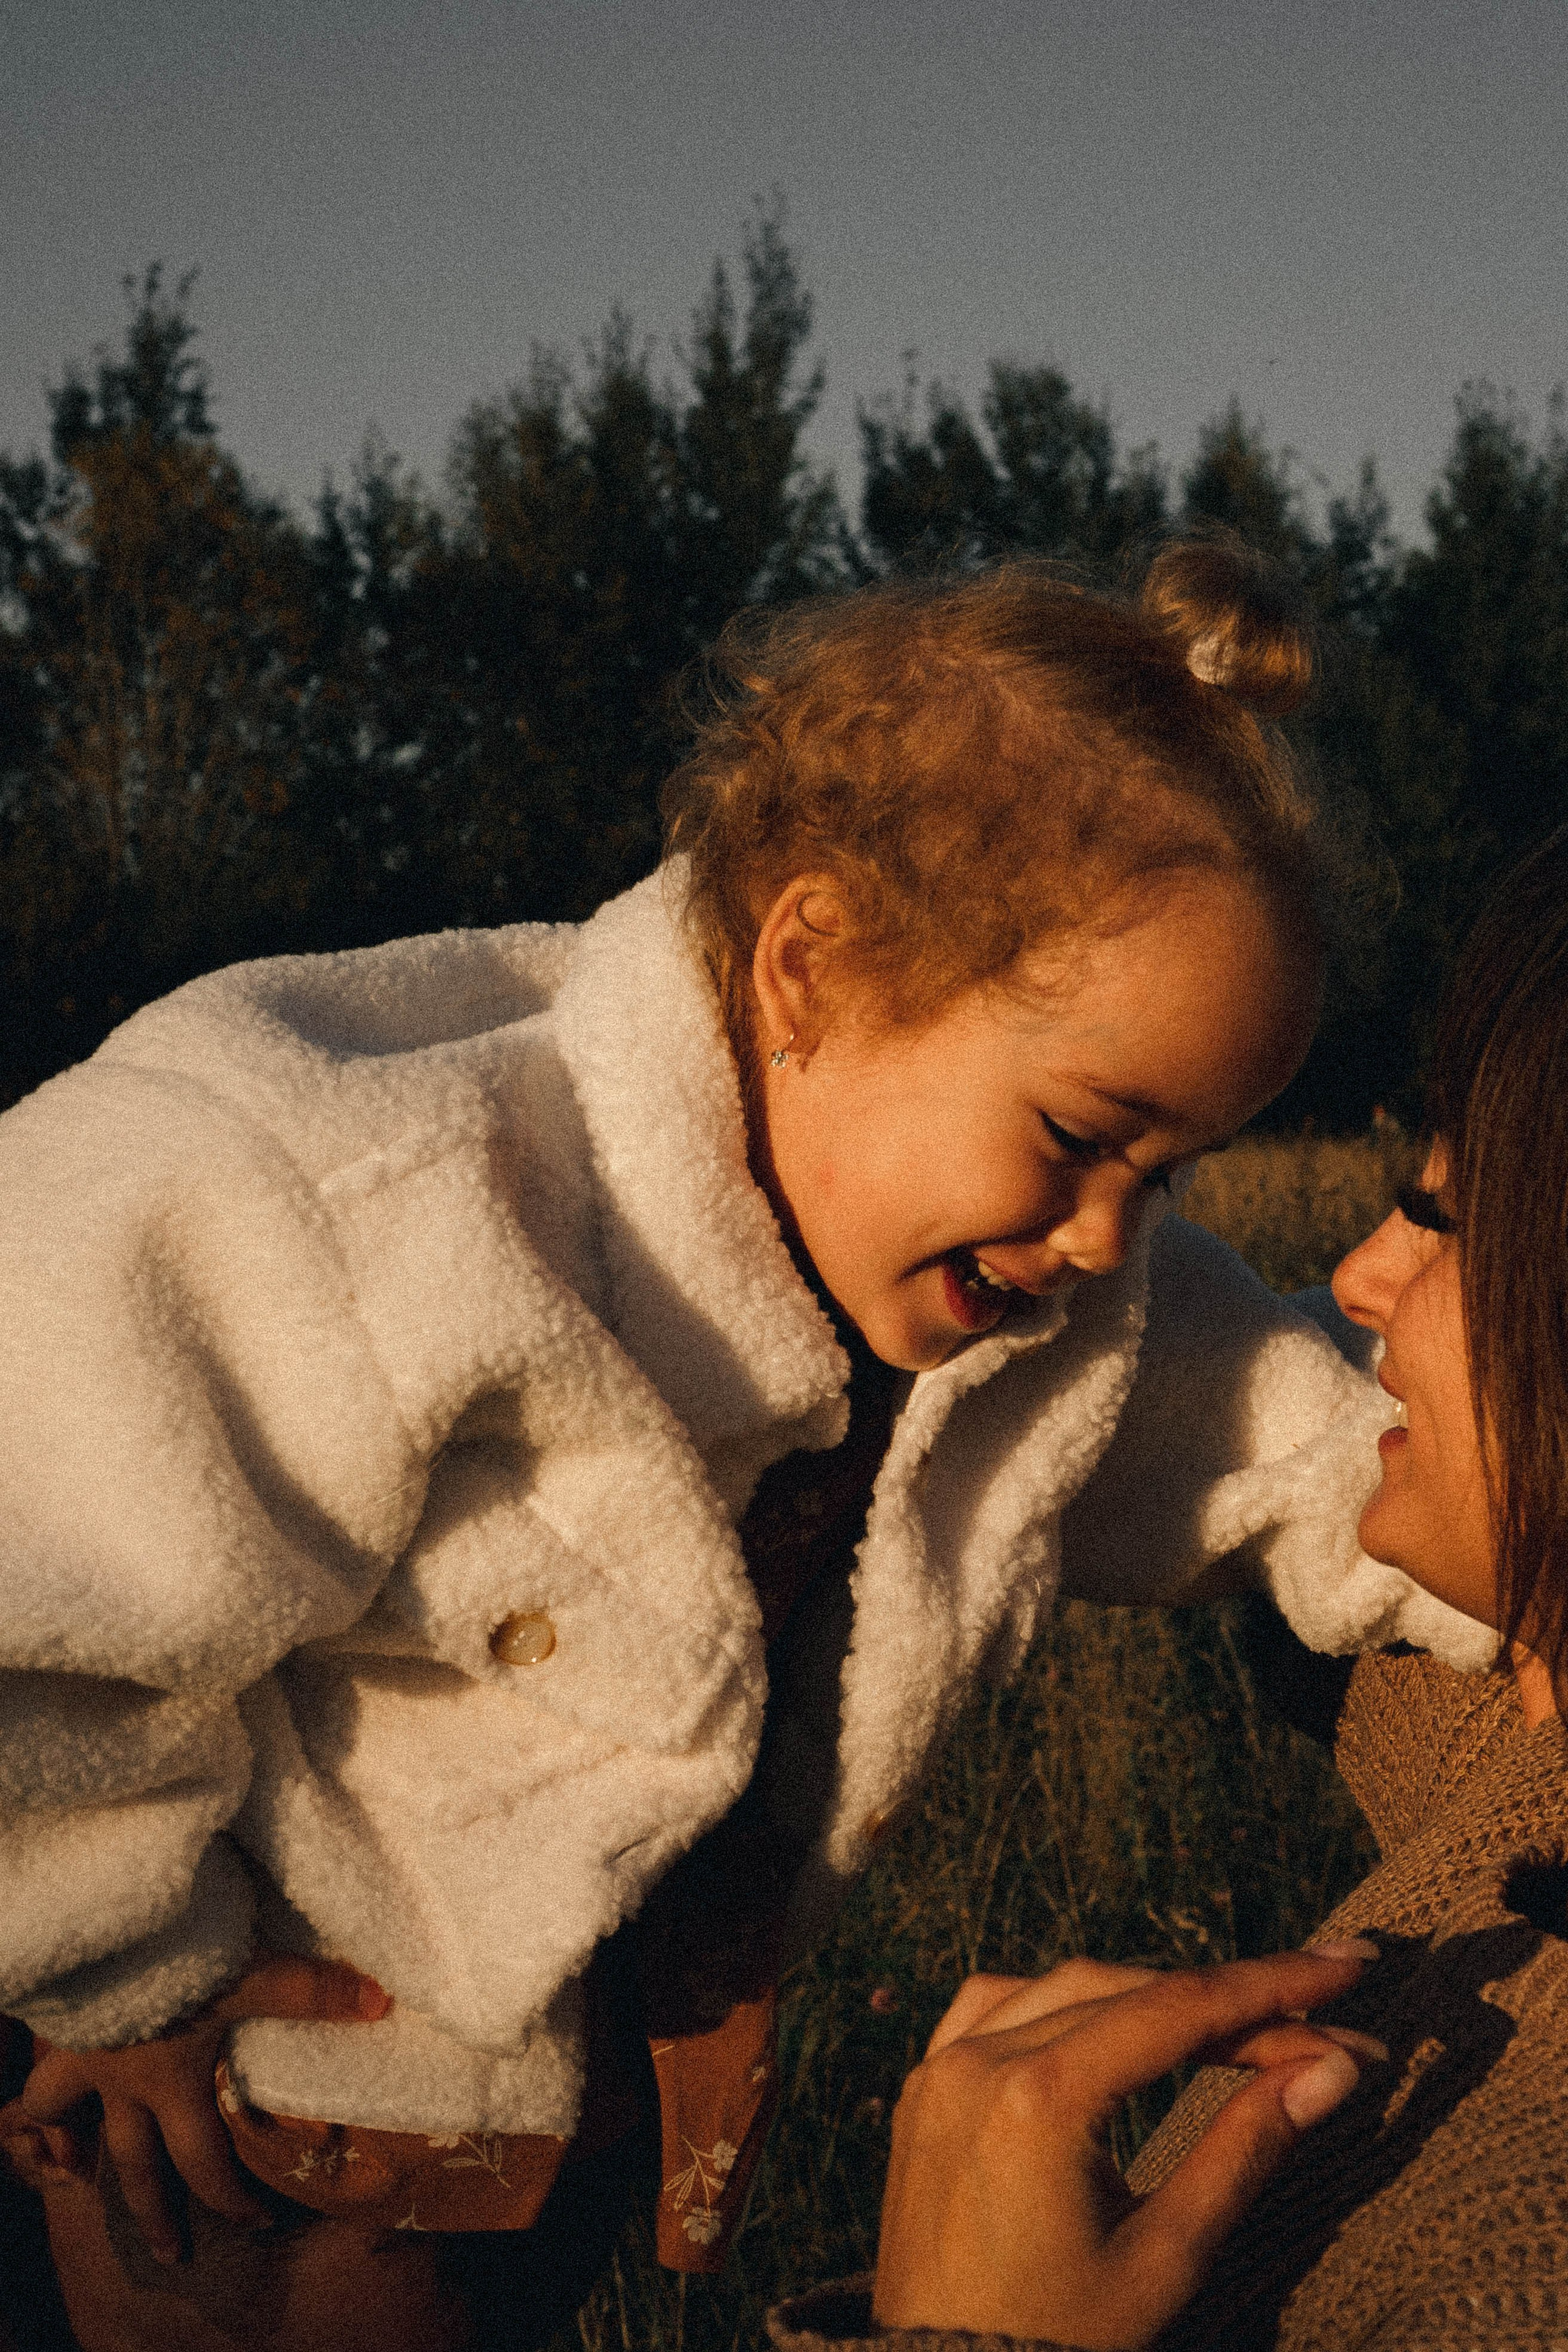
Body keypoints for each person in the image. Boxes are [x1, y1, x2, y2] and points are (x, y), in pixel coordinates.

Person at [0, 544, 1477, 2352]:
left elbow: (1297, 1443)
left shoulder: (1048, 1297)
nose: (1108, 1235)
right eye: (1082, 1135)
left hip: (552, 2109)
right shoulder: (393, 1202)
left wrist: (1517, 1556)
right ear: (811, 965)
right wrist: (114, 1964)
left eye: (1166, 1173)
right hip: (237, 2093)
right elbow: (48, 1526)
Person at [771, 823, 1568, 2352]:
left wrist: (961, 2334)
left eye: (1447, 1222)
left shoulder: (1515, 2277)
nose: (1358, 1280)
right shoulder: (1493, 1730)